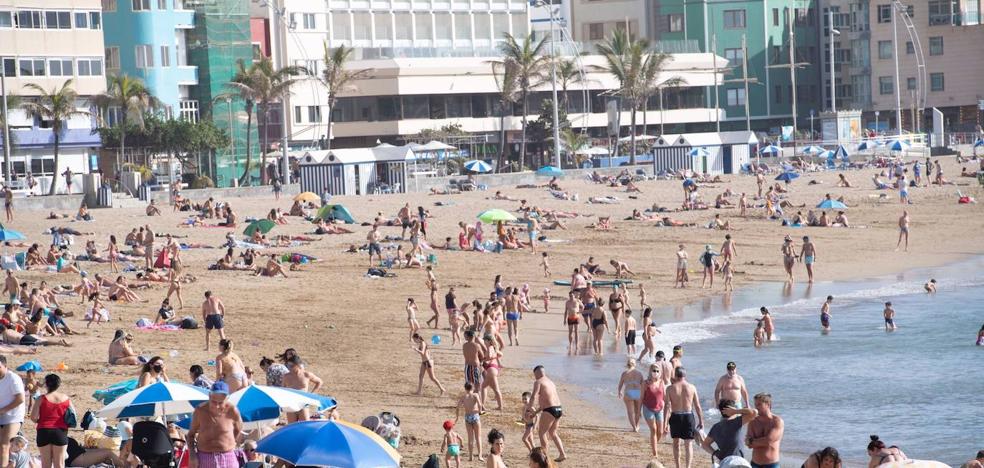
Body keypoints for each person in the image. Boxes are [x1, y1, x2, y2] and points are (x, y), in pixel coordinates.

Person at [186, 382, 243, 468]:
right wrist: (192, 456)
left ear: (227, 399)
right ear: (209, 396)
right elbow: (190, 435)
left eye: (220, 403)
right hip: (205, 457)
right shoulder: (200, 411)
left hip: (228, 457)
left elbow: (238, 429)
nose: (217, 406)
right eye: (213, 402)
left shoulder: (232, 411)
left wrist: (228, 443)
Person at [30, 373, 74, 468]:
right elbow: (72, 415)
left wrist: (41, 421)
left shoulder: (41, 399)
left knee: (46, 464)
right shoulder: (66, 398)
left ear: (46, 384)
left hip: (44, 431)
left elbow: (33, 418)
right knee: (60, 464)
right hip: (60, 431)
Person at [663, 367, 703, 468]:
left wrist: (665, 423)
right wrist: (701, 420)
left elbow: (667, 407)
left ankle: (678, 466)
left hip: (676, 416)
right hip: (688, 416)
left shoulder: (670, 388)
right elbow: (697, 406)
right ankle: (688, 467)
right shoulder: (692, 387)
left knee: (676, 443)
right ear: (685, 376)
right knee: (688, 444)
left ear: (675, 376)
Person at [527, 366, 566, 462]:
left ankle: (545, 457)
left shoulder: (538, 382)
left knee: (542, 433)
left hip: (550, 410)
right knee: (553, 433)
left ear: (537, 373)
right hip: (559, 409)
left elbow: (533, 396)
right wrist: (535, 413)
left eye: (534, 375)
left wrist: (528, 409)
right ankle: (562, 454)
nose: (534, 377)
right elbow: (544, 403)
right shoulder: (551, 382)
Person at [701, 399, 758, 464]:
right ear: (731, 410)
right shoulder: (737, 422)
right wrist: (736, 411)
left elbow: (705, 445)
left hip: (724, 461)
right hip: (738, 461)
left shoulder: (715, 427)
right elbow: (755, 412)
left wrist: (715, 453)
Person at [745, 393, 784, 468]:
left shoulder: (777, 421)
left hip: (772, 464)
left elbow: (768, 441)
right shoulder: (753, 421)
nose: (756, 407)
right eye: (755, 404)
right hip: (755, 463)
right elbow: (748, 445)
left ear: (768, 404)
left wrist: (752, 441)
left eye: (759, 404)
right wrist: (751, 442)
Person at [0, 356, 25, 468]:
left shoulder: (13, 378)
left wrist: (3, 410)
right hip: (1, 416)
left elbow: (20, 398)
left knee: (5, 445)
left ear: (5, 366)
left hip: (13, 416)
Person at [282, 355, 322, 422]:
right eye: (287, 366)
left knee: (305, 425)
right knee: (292, 427)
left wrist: (312, 394)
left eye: (291, 366)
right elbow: (282, 389)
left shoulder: (306, 375)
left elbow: (319, 382)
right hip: (291, 403)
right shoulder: (286, 376)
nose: (289, 368)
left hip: (303, 403)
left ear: (297, 365)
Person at [455, 383, 484, 462]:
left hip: (467, 417)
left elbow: (457, 407)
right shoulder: (475, 395)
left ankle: (470, 456)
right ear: (473, 388)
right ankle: (480, 455)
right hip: (475, 416)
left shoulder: (463, 397)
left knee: (470, 438)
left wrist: (457, 417)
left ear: (465, 388)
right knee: (478, 437)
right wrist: (480, 411)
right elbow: (480, 404)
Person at [642, 364, 665, 460]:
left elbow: (664, 395)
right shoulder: (645, 383)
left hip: (659, 409)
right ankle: (655, 453)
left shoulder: (662, 382)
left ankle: (654, 442)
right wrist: (638, 411)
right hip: (648, 408)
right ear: (650, 371)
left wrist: (667, 405)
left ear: (660, 373)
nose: (655, 372)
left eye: (657, 371)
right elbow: (641, 397)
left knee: (661, 431)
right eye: (653, 370)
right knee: (654, 429)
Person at [616, 358, 644, 432]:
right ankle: (637, 425)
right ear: (635, 364)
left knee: (630, 412)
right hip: (637, 392)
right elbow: (643, 384)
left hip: (628, 392)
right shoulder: (639, 373)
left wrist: (619, 392)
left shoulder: (625, 373)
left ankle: (634, 427)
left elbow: (620, 384)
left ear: (627, 364)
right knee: (637, 411)